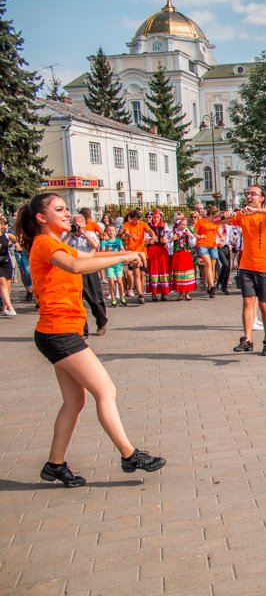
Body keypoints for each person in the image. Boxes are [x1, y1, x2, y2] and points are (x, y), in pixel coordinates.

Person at [16, 193, 165, 487]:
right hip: (59, 332)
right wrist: (123, 257)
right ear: (41, 218)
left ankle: (54, 465)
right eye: (59, 209)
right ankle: (129, 454)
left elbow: (88, 258)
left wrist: (124, 253)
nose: (66, 213)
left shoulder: (58, 244)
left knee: (74, 402)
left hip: (60, 331)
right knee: (105, 390)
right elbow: (75, 267)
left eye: (66, 208)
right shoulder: (45, 243)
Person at [215, 186, 266, 356]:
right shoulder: (242, 215)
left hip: (264, 266)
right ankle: (247, 339)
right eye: (248, 194)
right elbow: (214, 220)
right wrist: (225, 214)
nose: (249, 196)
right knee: (247, 301)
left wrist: (257, 210)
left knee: (263, 304)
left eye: (253, 194)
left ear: (261, 198)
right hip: (246, 265)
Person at [65, 214, 108, 337]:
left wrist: (83, 232)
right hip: (73, 271)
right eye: (75, 224)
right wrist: (69, 233)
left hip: (89, 270)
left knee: (95, 300)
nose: (77, 227)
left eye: (80, 224)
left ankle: (101, 323)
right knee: (77, 302)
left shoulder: (90, 234)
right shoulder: (68, 236)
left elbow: (95, 246)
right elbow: (60, 247)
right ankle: (83, 330)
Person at [121, 210, 152, 304]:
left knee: (142, 275)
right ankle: (140, 295)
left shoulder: (142, 224)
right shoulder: (127, 224)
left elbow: (149, 230)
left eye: (139, 219)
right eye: (135, 219)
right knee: (136, 274)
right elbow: (126, 233)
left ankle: (141, 293)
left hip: (143, 253)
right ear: (131, 218)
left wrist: (154, 236)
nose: (137, 221)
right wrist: (131, 235)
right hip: (133, 254)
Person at [193, 205, 220, 299]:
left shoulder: (216, 222)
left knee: (212, 267)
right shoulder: (201, 221)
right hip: (202, 245)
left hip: (213, 245)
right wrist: (200, 236)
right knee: (208, 264)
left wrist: (222, 238)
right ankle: (212, 286)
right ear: (211, 214)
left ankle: (210, 287)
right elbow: (195, 233)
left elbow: (219, 233)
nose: (217, 215)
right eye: (216, 214)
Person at [145, 209, 171, 301]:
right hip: (152, 250)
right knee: (153, 270)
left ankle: (164, 293)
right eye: (154, 217)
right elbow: (145, 236)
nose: (156, 219)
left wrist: (165, 240)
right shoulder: (148, 226)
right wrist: (149, 240)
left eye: (157, 217)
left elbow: (168, 235)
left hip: (162, 249)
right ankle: (154, 293)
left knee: (163, 270)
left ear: (160, 217)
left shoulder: (164, 225)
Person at [170, 216, 197, 301]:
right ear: (178, 224)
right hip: (177, 254)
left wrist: (191, 236)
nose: (184, 226)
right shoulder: (173, 231)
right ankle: (180, 293)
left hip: (186, 254)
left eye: (185, 224)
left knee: (187, 274)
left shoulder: (187, 231)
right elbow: (168, 245)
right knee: (179, 274)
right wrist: (172, 239)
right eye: (182, 224)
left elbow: (192, 244)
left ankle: (187, 293)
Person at [99, 225, 127, 308]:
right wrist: (107, 250)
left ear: (115, 232)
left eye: (113, 230)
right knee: (111, 282)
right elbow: (101, 252)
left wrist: (121, 251)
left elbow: (123, 250)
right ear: (106, 232)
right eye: (109, 230)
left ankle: (122, 298)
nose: (111, 232)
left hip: (118, 263)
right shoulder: (104, 242)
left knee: (119, 281)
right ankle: (113, 299)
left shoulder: (118, 241)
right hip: (110, 263)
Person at [0, 215, 17, 316]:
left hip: (6, 262)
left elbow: (17, 240)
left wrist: (17, 244)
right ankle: (10, 307)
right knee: (2, 282)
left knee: (7, 285)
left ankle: (4, 308)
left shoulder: (6, 235)